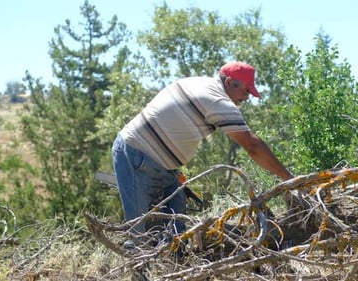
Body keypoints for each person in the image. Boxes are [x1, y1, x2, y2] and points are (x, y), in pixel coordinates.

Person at [112, 61, 293, 247]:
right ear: (230, 82)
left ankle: (169, 268)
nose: (246, 98)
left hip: (160, 166)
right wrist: (288, 178)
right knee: (138, 237)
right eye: (246, 91)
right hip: (137, 157)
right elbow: (253, 146)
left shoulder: (198, 82)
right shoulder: (217, 100)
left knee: (176, 235)